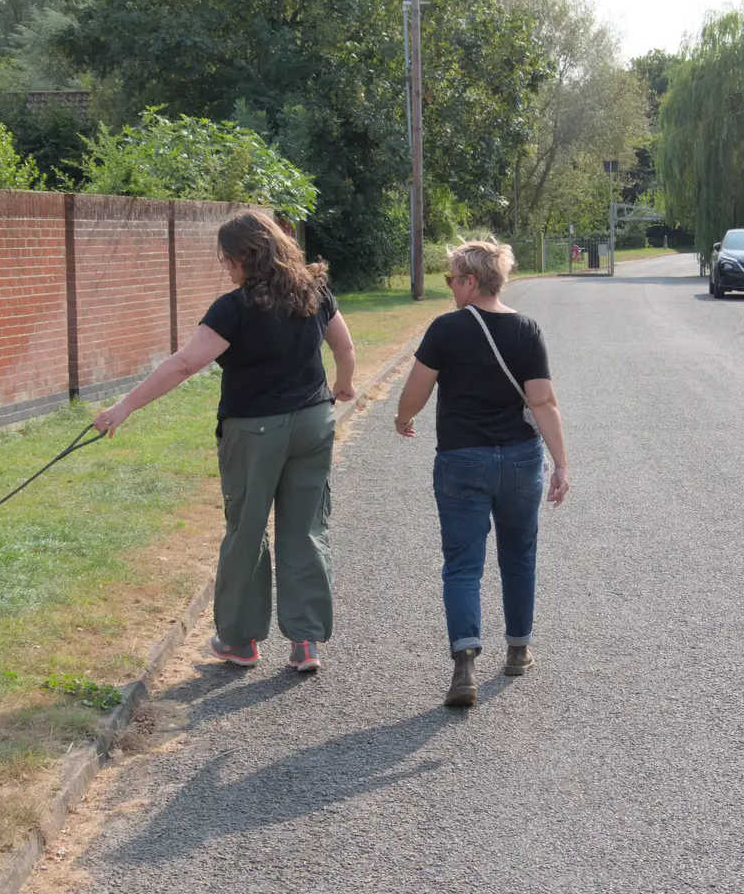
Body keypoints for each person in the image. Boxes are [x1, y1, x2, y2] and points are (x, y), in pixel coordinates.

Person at [93, 210, 355, 674]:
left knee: (247, 531)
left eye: (227, 259)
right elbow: (344, 348)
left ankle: (239, 641)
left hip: (255, 430)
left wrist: (124, 407)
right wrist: (344, 387)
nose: (226, 268)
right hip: (314, 422)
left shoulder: (233, 309)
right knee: (306, 528)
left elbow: (185, 364)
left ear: (242, 258)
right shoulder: (316, 292)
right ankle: (306, 640)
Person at [393, 239, 570, 707]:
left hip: (461, 460)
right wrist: (562, 464)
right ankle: (517, 649)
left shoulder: (445, 330)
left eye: (452, 279)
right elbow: (543, 401)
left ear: (471, 281)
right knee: (519, 555)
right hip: (519, 460)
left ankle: (465, 664)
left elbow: (416, 391)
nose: (450, 287)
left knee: (462, 565)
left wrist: (403, 419)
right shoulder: (527, 330)